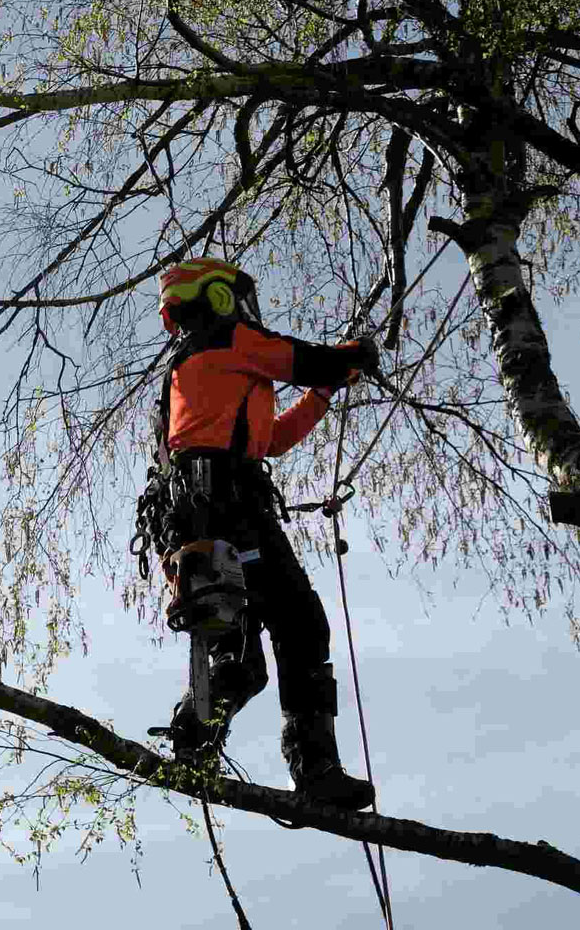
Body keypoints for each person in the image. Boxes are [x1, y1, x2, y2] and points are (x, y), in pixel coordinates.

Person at [149, 256, 379, 810]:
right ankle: (315, 767)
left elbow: (271, 439)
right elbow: (298, 358)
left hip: (202, 512)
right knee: (299, 622)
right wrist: (348, 358)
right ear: (222, 298)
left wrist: (323, 393)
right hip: (226, 505)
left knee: (242, 657)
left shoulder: (199, 362)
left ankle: (196, 734)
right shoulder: (228, 339)